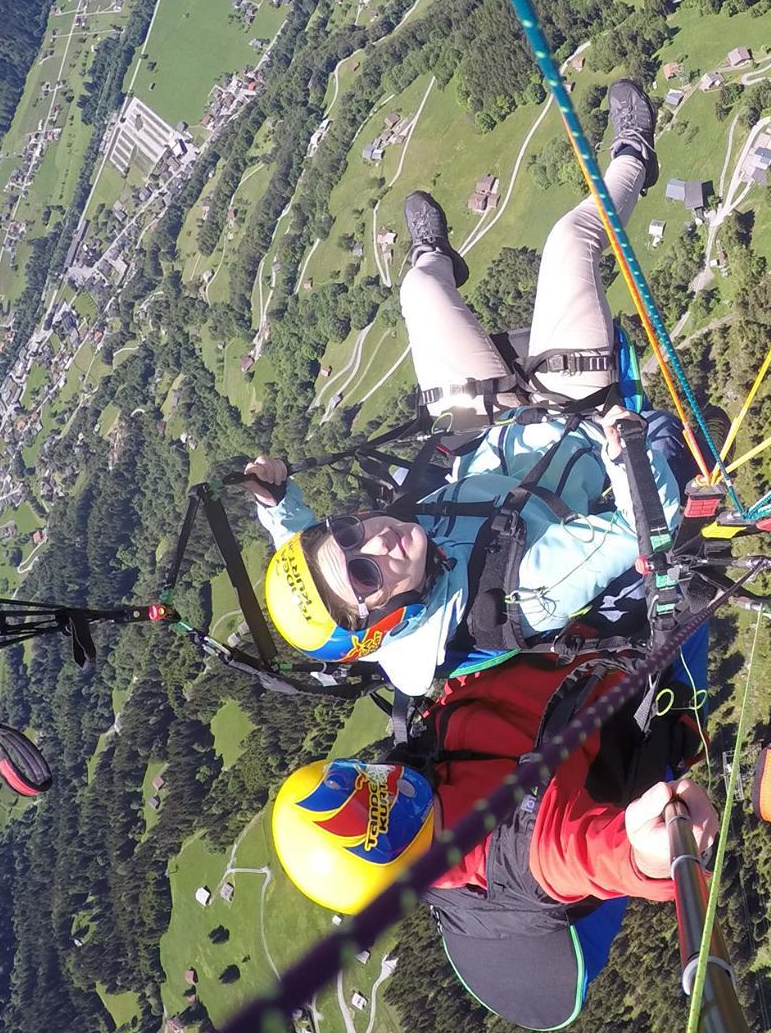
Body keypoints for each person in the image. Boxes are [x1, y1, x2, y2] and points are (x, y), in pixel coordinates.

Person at [238, 79, 685, 698]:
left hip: (482, 433)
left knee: (419, 291)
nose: (375, 538)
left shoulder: (363, 573)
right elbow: (649, 531)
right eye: (367, 572)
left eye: (347, 532)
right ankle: (635, 153)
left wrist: (274, 501)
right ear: (384, 623)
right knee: (568, 245)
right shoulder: (524, 587)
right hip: (575, 423)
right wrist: (622, 451)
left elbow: (303, 549)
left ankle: (433, 256)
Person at [271, 645, 720, 1029]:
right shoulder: (521, 850)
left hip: (574, 635)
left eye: (355, 778)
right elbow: (595, 854)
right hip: (645, 663)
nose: (383, 783)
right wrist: (654, 855)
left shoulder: (425, 756)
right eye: (377, 810)